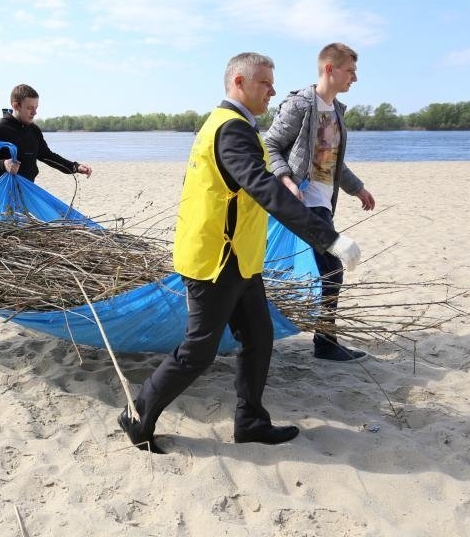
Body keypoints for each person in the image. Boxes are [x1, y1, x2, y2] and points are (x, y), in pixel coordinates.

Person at [117, 52, 362, 453]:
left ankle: (250, 422)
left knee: (259, 338)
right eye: (264, 83)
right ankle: (137, 414)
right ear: (238, 83)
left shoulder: (235, 125)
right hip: (216, 261)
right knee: (198, 351)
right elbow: (264, 189)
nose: (272, 91)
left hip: (239, 260)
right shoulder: (230, 129)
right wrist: (328, 239)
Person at [264, 43, 376, 362]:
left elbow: (332, 162)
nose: (355, 78)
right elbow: (270, 144)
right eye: (350, 71)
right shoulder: (301, 104)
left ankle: (311, 336)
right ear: (329, 69)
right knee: (331, 268)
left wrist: (358, 189)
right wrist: (286, 180)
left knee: (318, 269)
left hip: (324, 203)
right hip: (303, 202)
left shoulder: (337, 110)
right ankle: (325, 343)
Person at [0, 84, 92, 186]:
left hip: (28, 190)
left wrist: (75, 167)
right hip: (3, 193)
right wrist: (3, 164)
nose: (35, 112)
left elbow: (47, 156)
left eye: (36, 108)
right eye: (30, 108)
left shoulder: (33, 130)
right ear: (16, 106)